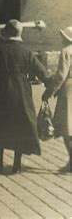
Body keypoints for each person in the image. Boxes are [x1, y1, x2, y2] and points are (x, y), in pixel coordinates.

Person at [0, 19, 49, 174]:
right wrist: (51, 86)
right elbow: (42, 72)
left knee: (0, 122)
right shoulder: (26, 52)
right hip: (21, 91)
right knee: (20, 124)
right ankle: (16, 165)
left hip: (1, 89)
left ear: (6, 33)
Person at [42, 27, 72, 173]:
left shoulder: (66, 51)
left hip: (68, 90)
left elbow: (61, 75)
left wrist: (50, 91)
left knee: (66, 127)